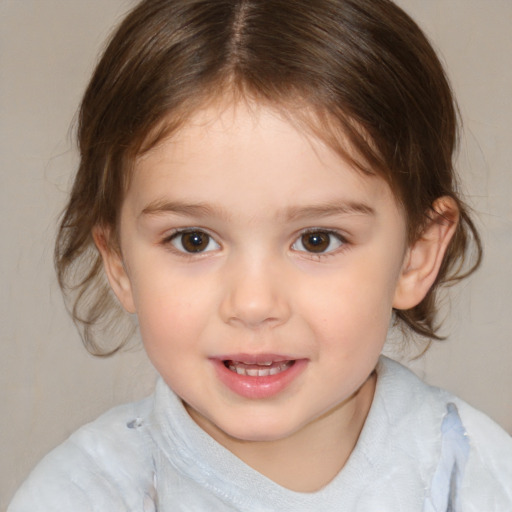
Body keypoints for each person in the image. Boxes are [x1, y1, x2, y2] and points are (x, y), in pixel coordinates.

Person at [9, 0, 512, 510]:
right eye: (193, 240)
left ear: (415, 255)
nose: (252, 304)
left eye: (317, 240)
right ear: (118, 260)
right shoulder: (82, 495)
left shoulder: (473, 477)